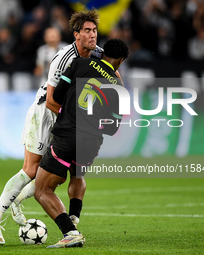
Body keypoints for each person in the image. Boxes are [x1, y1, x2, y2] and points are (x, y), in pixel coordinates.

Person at [0, 9, 123, 245]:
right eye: (87, 31)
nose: (92, 35)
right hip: (45, 113)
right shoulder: (63, 58)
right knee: (30, 170)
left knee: (61, 173)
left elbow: (113, 71)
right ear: (76, 34)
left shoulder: (97, 53)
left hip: (67, 119)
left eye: (95, 30)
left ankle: (63, 220)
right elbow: (50, 100)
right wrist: (73, 122)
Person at [34, 39, 129, 248]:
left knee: (41, 189)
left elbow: (57, 96)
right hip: (92, 141)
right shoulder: (119, 88)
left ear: (103, 53)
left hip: (67, 134)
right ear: (120, 61)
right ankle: (74, 217)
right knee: (78, 173)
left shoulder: (79, 64)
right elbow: (113, 128)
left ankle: (70, 231)